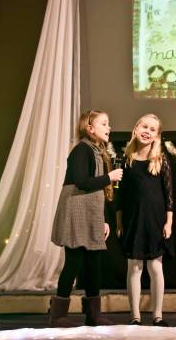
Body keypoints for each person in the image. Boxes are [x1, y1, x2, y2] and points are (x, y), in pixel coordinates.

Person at [50, 110, 123, 327]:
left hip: (90, 212)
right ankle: (58, 315)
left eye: (108, 123)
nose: (108, 127)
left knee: (94, 263)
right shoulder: (82, 150)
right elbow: (82, 181)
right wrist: (109, 177)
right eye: (104, 123)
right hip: (76, 211)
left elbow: (96, 193)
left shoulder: (98, 152)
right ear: (90, 128)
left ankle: (93, 314)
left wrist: (102, 220)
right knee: (73, 261)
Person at [116, 114, 173, 327]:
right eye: (144, 126)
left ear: (157, 136)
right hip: (133, 220)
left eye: (152, 129)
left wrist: (168, 223)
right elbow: (121, 196)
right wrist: (120, 222)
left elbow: (169, 195)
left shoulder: (160, 160)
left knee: (156, 267)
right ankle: (135, 316)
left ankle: (157, 315)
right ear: (136, 127)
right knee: (134, 267)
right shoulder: (127, 159)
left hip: (155, 221)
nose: (147, 131)